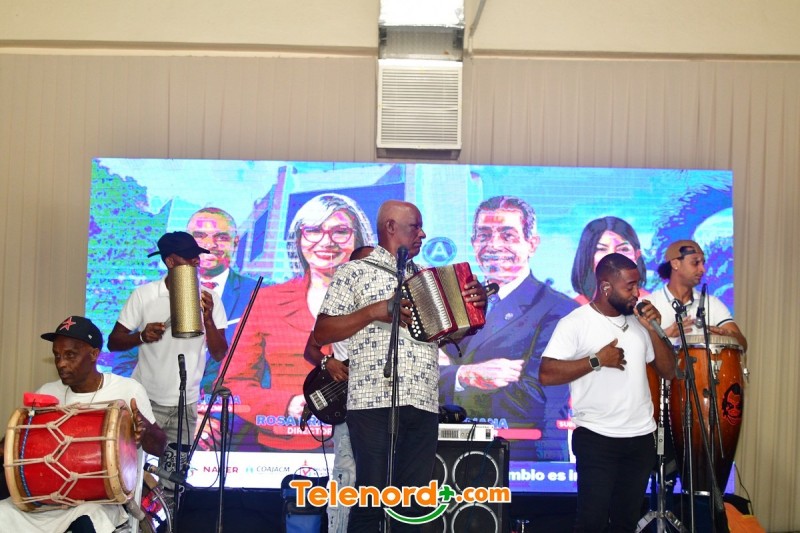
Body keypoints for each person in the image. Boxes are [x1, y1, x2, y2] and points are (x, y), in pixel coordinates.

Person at [313, 200, 487, 532]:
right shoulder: (354, 272)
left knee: (412, 506)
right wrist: (375, 311)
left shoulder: (425, 278)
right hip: (372, 400)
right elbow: (322, 332)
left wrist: (477, 308)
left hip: (422, 400)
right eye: (415, 226)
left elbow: (448, 336)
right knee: (371, 500)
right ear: (391, 227)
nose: (423, 234)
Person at [224, 193, 375, 451]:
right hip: (285, 445)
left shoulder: (381, 301)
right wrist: (286, 405)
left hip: (362, 444)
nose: (326, 242)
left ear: (358, 239)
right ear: (298, 239)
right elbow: (233, 383)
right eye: (313, 231)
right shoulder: (266, 300)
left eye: (340, 231)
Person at [539, 253, 676, 532]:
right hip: (597, 438)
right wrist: (596, 360)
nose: (637, 293)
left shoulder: (639, 323)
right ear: (605, 287)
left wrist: (654, 330)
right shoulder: (576, 322)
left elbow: (669, 370)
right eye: (630, 287)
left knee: (626, 524)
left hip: (640, 439)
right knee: (592, 523)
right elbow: (546, 373)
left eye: (638, 285)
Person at [438, 195, 577, 460]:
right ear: (473, 243)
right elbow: (422, 379)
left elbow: (534, 399)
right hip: (454, 454)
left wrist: (449, 375)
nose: (494, 245)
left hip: (527, 457)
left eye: (507, 235)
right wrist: (466, 376)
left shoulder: (559, 309)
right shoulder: (455, 305)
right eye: (484, 235)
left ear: (532, 244)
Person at [0, 315, 167, 533]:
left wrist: (143, 428)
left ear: (94, 354)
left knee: (87, 521)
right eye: (57, 355)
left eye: (70, 355)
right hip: (49, 499)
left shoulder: (128, 390)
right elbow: (16, 448)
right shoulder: (47, 393)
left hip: (104, 501)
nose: (61, 363)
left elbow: (159, 447)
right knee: (3, 513)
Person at [107, 231, 228, 487]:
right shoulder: (145, 295)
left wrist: (208, 320)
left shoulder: (209, 298)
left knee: (174, 479)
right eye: (189, 257)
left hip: (186, 403)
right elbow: (113, 342)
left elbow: (219, 353)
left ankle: (168, 513)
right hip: (145, 401)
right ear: (170, 261)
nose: (196, 262)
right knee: (130, 472)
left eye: (197, 257)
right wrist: (141, 336)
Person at [302, 245, 374, 533]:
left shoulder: (389, 308)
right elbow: (311, 349)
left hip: (380, 404)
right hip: (348, 406)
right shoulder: (340, 306)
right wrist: (327, 362)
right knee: (346, 477)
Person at [187, 207, 260, 450]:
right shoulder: (156, 295)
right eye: (199, 236)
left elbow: (266, 373)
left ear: (235, 243)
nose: (209, 245)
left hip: (234, 431)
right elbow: (128, 364)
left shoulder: (259, 295)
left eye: (221, 237)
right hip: (166, 427)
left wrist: (218, 421)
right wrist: (181, 420)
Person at [650, 239, 747, 350]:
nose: (703, 269)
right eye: (695, 263)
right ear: (675, 264)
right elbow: (639, 349)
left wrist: (728, 335)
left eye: (703, 263)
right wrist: (665, 334)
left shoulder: (712, 303)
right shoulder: (650, 304)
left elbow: (743, 344)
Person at [571, 216, 650, 305]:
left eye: (623, 249)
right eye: (601, 249)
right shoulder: (573, 307)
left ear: (637, 255)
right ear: (586, 257)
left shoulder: (651, 304)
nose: (612, 256)